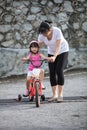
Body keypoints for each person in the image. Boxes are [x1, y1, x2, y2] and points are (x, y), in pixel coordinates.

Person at [38, 20, 69, 102]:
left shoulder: (57, 31)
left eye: (45, 32)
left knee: (59, 70)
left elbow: (58, 46)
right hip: (51, 52)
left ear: (50, 30)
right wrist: (43, 56)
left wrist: (54, 56)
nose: (43, 34)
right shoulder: (41, 35)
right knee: (52, 72)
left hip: (63, 50)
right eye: (42, 32)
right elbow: (37, 48)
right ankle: (54, 95)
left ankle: (60, 95)